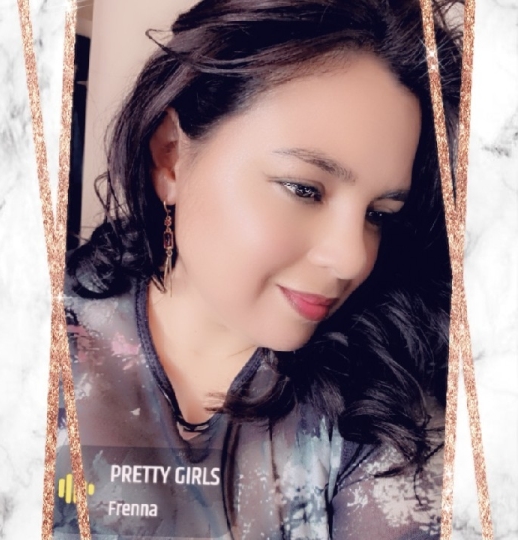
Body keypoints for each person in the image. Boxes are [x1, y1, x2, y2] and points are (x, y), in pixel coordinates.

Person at [53, 0, 462, 538]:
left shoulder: (380, 407)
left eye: (378, 215)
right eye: (304, 189)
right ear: (171, 155)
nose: (352, 258)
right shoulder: (27, 345)